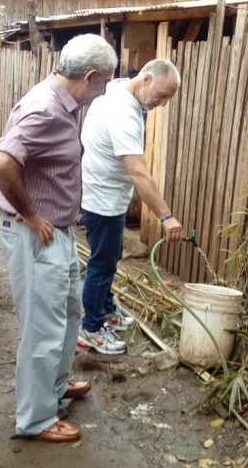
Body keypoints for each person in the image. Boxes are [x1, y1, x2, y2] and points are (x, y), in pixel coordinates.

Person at [0, 34, 117, 443]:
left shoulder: (64, 102)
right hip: (36, 237)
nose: (103, 92)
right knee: (43, 329)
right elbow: (2, 161)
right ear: (91, 77)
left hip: (57, 232)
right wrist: (29, 213)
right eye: (104, 83)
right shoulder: (45, 109)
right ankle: (36, 419)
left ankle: (56, 389)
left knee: (67, 316)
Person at [77, 59, 183, 355]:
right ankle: (91, 328)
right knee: (101, 265)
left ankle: (107, 310)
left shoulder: (117, 91)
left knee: (109, 259)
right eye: (162, 95)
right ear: (146, 79)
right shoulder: (123, 112)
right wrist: (167, 216)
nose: (162, 104)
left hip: (105, 195)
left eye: (167, 99)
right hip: (103, 201)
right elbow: (138, 172)